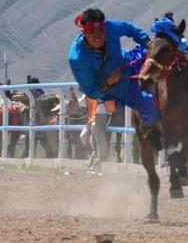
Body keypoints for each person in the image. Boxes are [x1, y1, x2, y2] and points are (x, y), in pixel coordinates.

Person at [67, 8, 162, 150]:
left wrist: (147, 44)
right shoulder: (77, 58)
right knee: (146, 103)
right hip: (112, 91)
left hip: (128, 64)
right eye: (92, 32)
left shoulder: (111, 27)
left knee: (163, 60)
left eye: (100, 31)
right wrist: (108, 83)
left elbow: (130, 29)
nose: (97, 36)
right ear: (84, 32)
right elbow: (91, 91)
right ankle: (146, 129)